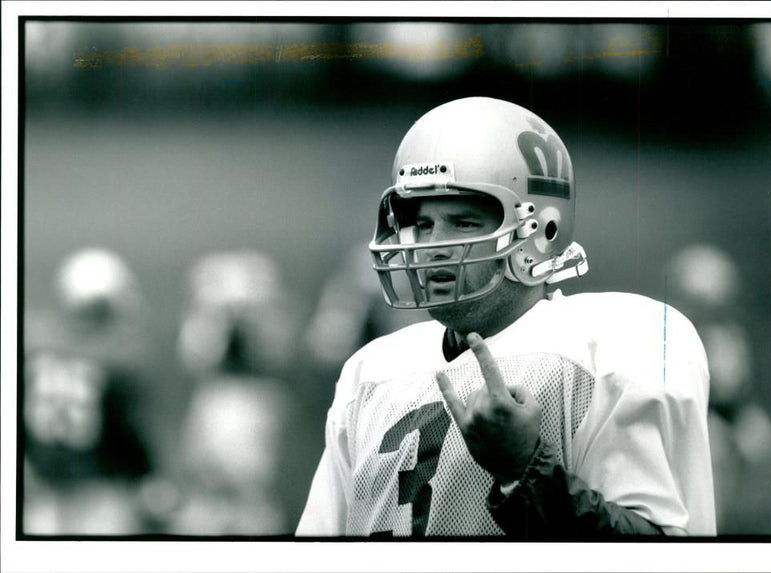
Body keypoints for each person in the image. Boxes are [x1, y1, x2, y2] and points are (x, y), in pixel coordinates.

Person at [296, 97, 716, 538]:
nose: (432, 245)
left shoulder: (612, 349)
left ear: (540, 229)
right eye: (421, 224)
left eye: (462, 222)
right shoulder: (371, 372)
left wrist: (526, 470)